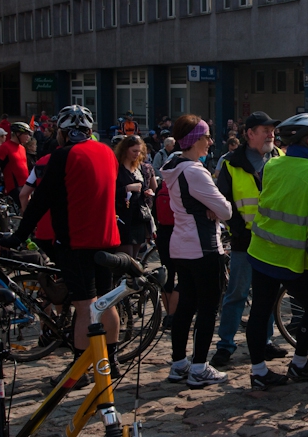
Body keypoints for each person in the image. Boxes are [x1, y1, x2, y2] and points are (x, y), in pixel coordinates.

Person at [0, 105, 122, 386]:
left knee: (85, 306)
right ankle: (111, 361)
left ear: (64, 133)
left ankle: (80, 371)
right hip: (108, 238)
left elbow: (40, 200)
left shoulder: (63, 155)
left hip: (76, 240)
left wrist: (17, 237)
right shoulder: (107, 152)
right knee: (106, 301)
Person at [245, 113, 308, 390]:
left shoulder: (272, 163)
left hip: (261, 249)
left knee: (260, 310)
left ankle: (258, 371)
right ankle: (299, 363)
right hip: (291, 256)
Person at [210, 111, 287, 370]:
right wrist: (237, 228)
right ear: (250, 134)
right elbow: (223, 200)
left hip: (274, 240)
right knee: (237, 294)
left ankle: (265, 341)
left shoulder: (281, 158)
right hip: (245, 241)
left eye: (272, 130)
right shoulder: (231, 162)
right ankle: (225, 346)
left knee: (268, 295)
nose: (271, 135)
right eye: (265, 130)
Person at [162, 115, 232, 388]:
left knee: (185, 307)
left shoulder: (173, 166)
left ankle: (179, 363)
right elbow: (225, 210)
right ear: (194, 140)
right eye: (206, 137)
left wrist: (209, 208)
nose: (210, 142)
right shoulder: (194, 171)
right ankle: (200, 367)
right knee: (207, 308)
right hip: (203, 247)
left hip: (181, 244)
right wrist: (213, 209)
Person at [114, 135, 155, 259]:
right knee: (125, 256)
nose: (137, 154)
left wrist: (146, 192)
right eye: (134, 151)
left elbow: (145, 188)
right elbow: (110, 192)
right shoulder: (117, 168)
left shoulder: (139, 168)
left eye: (139, 151)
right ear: (125, 150)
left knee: (135, 256)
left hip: (138, 217)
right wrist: (127, 188)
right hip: (123, 217)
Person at [0, 122, 33, 201]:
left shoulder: (22, 148)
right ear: (17, 134)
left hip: (25, 184)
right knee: (25, 207)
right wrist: (0, 181)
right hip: (14, 185)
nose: (28, 137)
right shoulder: (5, 147)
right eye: (26, 134)